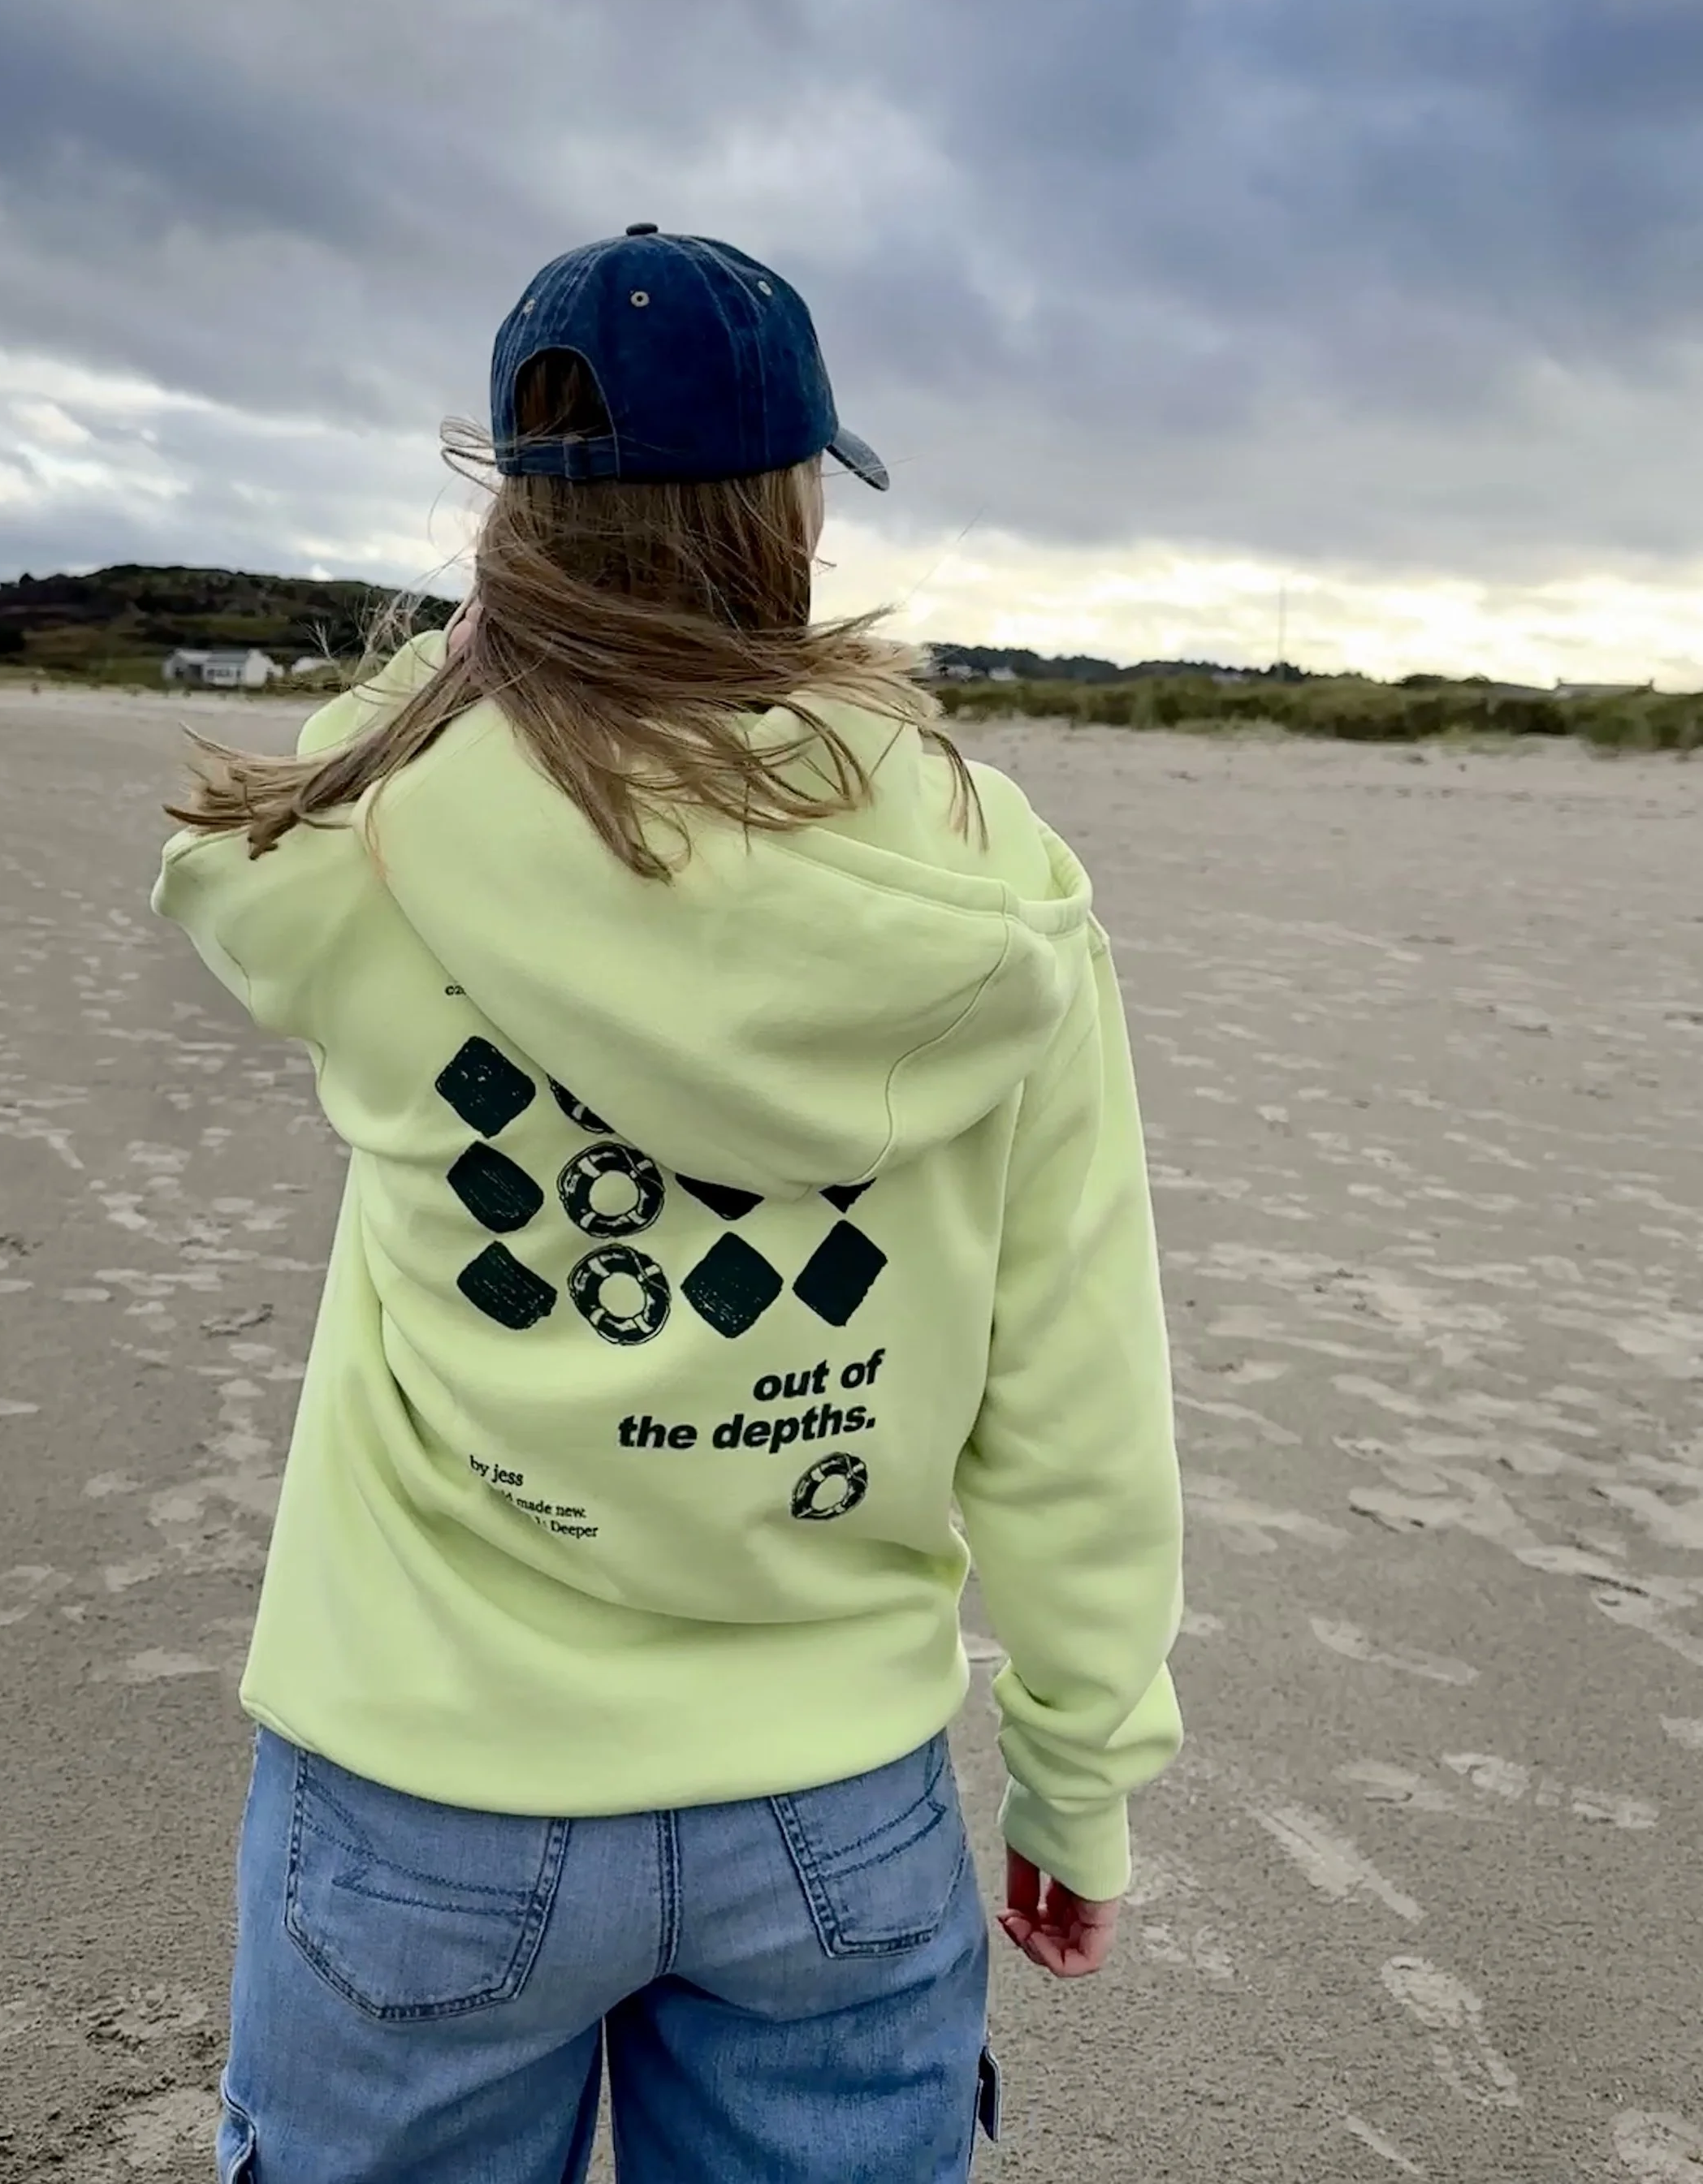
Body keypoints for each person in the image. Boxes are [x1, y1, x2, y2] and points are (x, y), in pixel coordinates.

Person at [153, 226, 1183, 2184]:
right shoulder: (979, 867)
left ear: (507, 520)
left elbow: (258, 827)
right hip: (828, 1793)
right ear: (798, 504)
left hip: (425, 1771)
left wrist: (493, 648)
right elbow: (1070, 1376)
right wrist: (1080, 1762)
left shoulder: (376, 837)